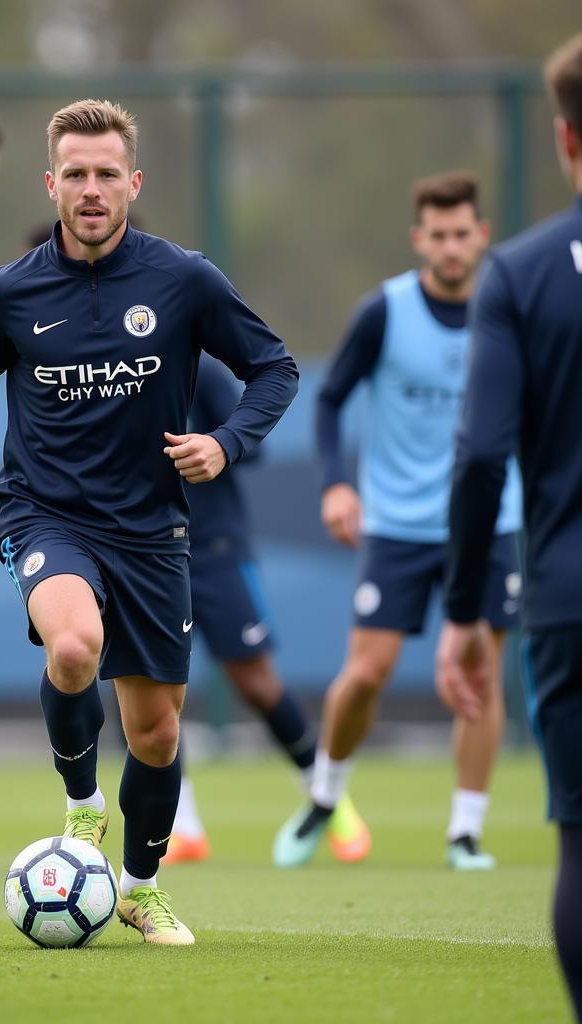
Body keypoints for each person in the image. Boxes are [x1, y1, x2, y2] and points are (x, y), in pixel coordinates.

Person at [0, 98, 298, 945]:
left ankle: (140, 886)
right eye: (75, 174)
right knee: (74, 645)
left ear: (133, 183)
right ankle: (83, 806)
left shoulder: (185, 279)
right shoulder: (13, 290)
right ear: (52, 184)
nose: (91, 189)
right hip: (44, 513)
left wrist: (227, 444)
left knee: (156, 733)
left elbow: (274, 368)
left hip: (153, 531)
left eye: (105, 174)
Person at [273, 172, 522, 870]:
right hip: (398, 526)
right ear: (419, 239)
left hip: (493, 522)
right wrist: (335, 488)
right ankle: (326, 795)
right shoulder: (384, 311)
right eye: (436, 235)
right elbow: (328, 402)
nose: (450, 246)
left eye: (461, 233)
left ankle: (465, 831)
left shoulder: (510, 309)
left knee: (482, 675)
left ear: (482, 235)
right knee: (367, 672)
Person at [437, 33, 582, 1020]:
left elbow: (483, 455)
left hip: (570, 595)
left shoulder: (521, 274)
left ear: (566, 139)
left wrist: (461, 612)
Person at [164, 354, 367, 865]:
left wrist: (212, 445)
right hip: (144, 552)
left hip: (215, 550)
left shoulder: (202, 371)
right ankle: (181, 826)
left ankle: (329, 799)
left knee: (256, 682)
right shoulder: (109, 366)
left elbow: (251, 449)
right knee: (145, 685)